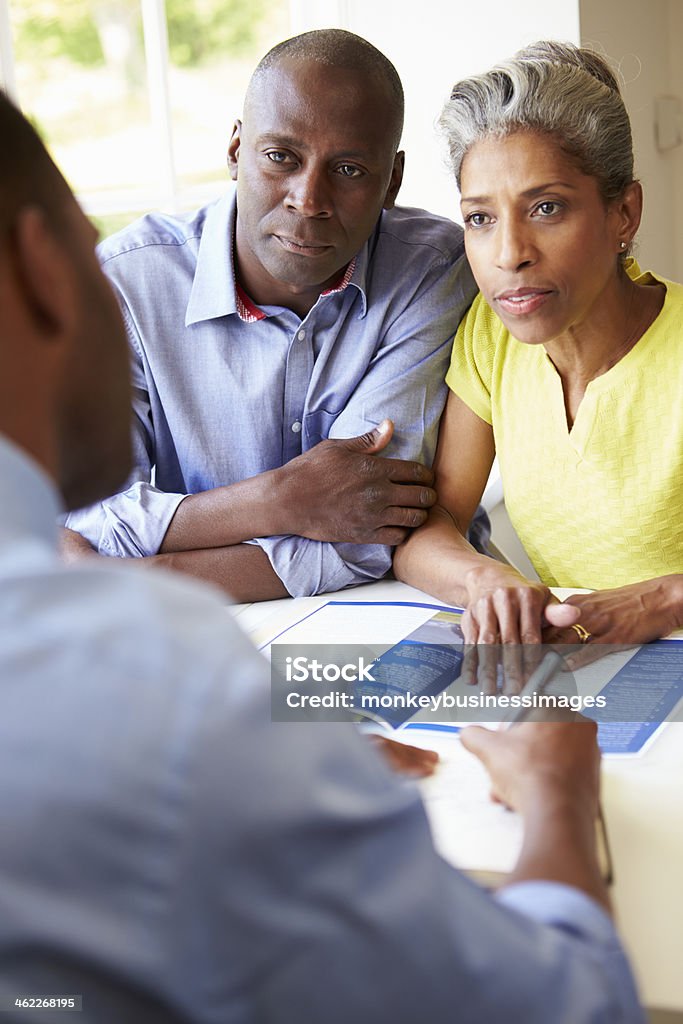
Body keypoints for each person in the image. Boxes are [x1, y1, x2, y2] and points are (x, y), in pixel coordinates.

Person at [0, 91, 645, 1024]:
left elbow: (372, 523)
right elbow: (567, 1005)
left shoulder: (434, 275)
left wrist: (257, 754)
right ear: (43, 273)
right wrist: (553, 797)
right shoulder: (158, 679)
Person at [61, 28, 487, 603]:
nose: (308, 199)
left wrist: (150, 578)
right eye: (281, 156)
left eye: (351, 170)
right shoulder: (127, 285)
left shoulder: (433, 271)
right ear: (237, 151)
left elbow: (372, 534)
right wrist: (281, 497)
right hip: (204, 636)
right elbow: (88, 518)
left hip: (407, 610)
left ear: (392, 181)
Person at [394, 41, 683, 648]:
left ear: (623, 214)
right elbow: (436, 523)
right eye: (480, 218)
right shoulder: (491, 337)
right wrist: (485, 581)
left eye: (546, 208)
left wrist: (666, 600)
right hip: (592, 676)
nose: (509, 254)